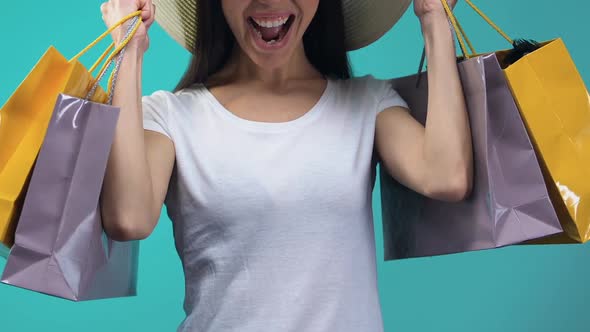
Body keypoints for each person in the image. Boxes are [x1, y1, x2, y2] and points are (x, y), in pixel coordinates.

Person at [99, 0, 472, 330]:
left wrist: (434, 19)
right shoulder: (172, 115)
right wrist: (128, 49)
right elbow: (128, 218)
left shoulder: (365, 102)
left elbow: (446, 176)